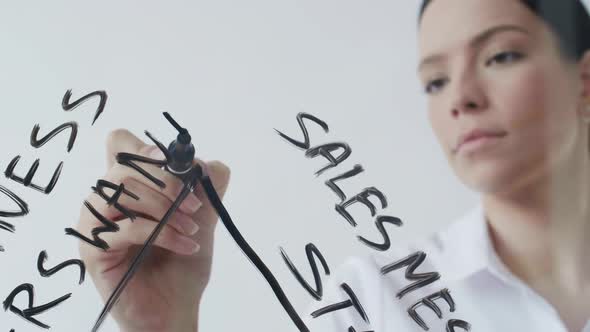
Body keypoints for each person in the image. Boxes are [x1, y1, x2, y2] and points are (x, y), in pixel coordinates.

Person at [75, 0, 590, 331]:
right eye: (435, 81)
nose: (461, 98)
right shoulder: (374, 301)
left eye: (499, 56)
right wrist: (162, 325)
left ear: (584, 82)